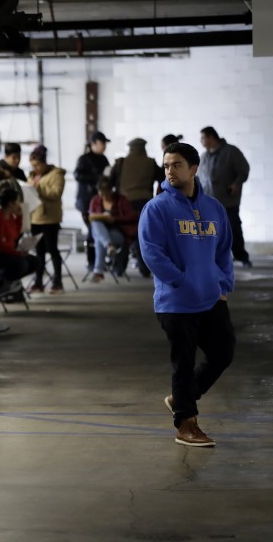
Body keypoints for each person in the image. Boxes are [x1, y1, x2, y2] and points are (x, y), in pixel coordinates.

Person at [139, 142, 235, 447]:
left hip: (210, 298)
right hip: (176, 302)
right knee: (183, 361)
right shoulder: (157, 208)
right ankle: (186, 424)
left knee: (223, 351)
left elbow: (224, 251)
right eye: (166, 165)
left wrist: (223, 286)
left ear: (193, 169)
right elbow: (152, 253)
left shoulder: (214, 208)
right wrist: (180, 281)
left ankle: (182, 397)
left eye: (177, 165)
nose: (170, 171)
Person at [198, 126, 252, 268]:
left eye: (203, 138)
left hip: (228, 199)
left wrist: (236, 184)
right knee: (213, 230)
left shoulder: (231, 152)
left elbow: (243, 170)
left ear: (211, 137)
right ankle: (219, 257)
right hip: (209, 200)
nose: (201, 141)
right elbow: (200, 177)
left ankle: (241, 256)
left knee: (233, 227)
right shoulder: (204, 157)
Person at [109, 138, 163, 277]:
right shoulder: (150, 162)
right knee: (143, 236)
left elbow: (110, 182)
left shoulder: (121, 162)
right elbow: (162, 180)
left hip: (124, 204)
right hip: (144, 203)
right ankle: (144, 269)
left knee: (123, 234)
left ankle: (119, 268)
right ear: (144, 147)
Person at [27, 145, 66, 294]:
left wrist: (38, 189)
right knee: (39, 252)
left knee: (53, 250)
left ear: (44, 162)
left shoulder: (56, 174)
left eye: (37, 165)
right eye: (32, 165)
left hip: (50, 219)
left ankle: (58, 282)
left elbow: (56, 193)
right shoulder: (32, 175)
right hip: (35, 218)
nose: (35, 168)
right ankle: (38, 283)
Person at [87, 176, 137, 281]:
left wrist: (114, 219)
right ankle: (109, 246)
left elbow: (132, 216)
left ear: (111, 190)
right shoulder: (95, 201)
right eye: (102, 193)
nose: (104, 196)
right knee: (96, 223)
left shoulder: (121, 200)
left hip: (118, 233)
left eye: (107, 193)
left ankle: (98, 271)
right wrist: (102, 217)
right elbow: (91, 217)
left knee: (99, 239)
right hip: (100, 232)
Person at [74, 132, 111, 269]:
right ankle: (91, 261)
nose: (105, 146)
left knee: (100, 229)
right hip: (86, 202)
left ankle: (99, 261)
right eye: (103, 143)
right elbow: (78, 175)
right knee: (92, 230)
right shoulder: (84, 159)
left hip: (102, 202)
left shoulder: (104, 159)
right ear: (94, 143)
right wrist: (97, 177)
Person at [0, 187, 38, 284]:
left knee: (35, 261)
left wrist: (20, 216)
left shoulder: (11, 217)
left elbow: (15, 235)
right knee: (21, 264)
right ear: (10, 204)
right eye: (17, 202)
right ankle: (1, 282)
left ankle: (10, 283)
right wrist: (17, 253)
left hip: (9, 252)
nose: (19, 205)